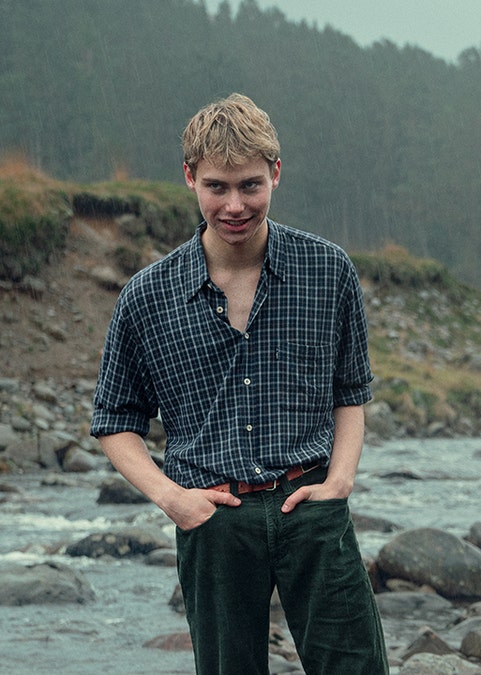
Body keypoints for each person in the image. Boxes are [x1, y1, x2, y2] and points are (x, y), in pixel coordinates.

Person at [90, 93, 388, 674]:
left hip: (311, 506)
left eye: (250, 185)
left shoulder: (328, 270)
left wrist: (341, 481)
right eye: (217, 187)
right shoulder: (147, 296)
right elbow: (115, 422)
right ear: (190, 179)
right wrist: (172, 499)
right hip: (213, 519)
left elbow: (350, 391)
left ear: (276, 173)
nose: (234, 205)